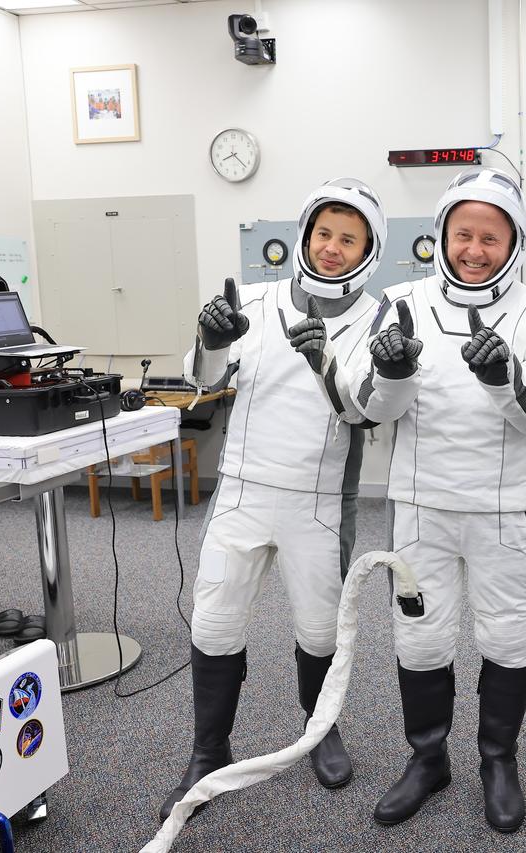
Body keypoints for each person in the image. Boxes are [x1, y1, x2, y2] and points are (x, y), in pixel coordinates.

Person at [347, 167, 526, 833]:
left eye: (491, 239)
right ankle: (428, 757)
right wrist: (390, 373)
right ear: (442, 235)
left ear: (515, 243)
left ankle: (498, 759)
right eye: (463, 234)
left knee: (508, 635)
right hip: (421, 507)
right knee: (419, 637)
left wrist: (505, 378)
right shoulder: (400, 303)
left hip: (504, 512)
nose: (475, 250)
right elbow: (366, 407)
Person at [160, 178, 387, 821]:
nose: (333, 249)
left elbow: (372, 413)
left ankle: (321, 732)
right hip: (241, 493)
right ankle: (210, 749)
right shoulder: (252, 302)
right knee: (215, 624)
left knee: (319, 630)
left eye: (349, 239)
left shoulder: (378, 318)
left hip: (318, 502)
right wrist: (211, 339)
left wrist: (335, 368)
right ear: (305, 236)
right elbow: (201, 381)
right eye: (324, 235)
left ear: (368, 248)